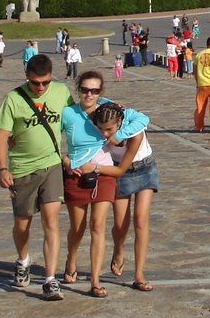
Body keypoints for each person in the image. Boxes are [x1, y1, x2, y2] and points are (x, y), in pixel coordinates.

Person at [0, 53, 74, 300]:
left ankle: (50, 279)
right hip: (22, 169)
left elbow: (74, 122)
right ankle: (23, 259)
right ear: (27, 76)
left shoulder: (62, 93)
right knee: (22, 223)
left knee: (52, 221)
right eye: (35, 83)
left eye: (45, 83)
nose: (40, 88)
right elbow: (1, 136)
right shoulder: (13, 98)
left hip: (51, 165)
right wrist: (2, 168)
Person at [60, 71, 148, 298]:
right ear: (78, 89)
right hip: (77, 174)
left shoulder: (108, 108)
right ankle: (71, 259)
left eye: (95, 91)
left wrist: (121, 134)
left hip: (104, 174)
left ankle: (95, 281)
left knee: (97, 226)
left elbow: (141, 119)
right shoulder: (68, 113)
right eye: (85, 90)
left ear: (101, 92)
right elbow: (50, 137)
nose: (90, 94)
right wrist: (65, 159)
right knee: (77, 228)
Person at [90, 103, 158, 293]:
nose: (105, 134)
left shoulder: (135, 132)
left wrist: (95, 168)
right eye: (101, 129)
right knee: (120, 223)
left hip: (144, 167)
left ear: (119, 123)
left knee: (140, 220)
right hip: (119, 170)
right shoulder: (102, 122)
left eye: (109, 129)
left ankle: (139, 274)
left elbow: (144, 118)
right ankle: (118, 249)